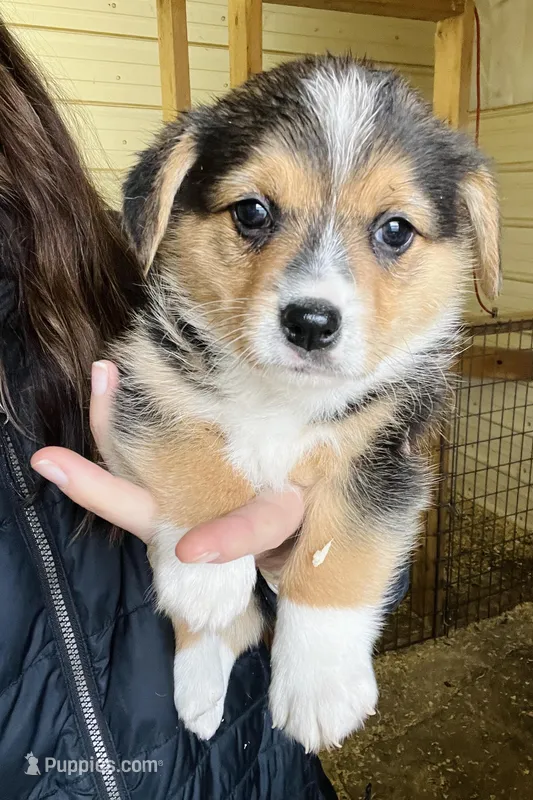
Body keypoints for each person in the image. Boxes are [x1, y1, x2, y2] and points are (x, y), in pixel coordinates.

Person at [0, 19, 337, 799]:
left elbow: (355, 480)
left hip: (252, 772)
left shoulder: (114, 272)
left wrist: (309, 554)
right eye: (253, 216)